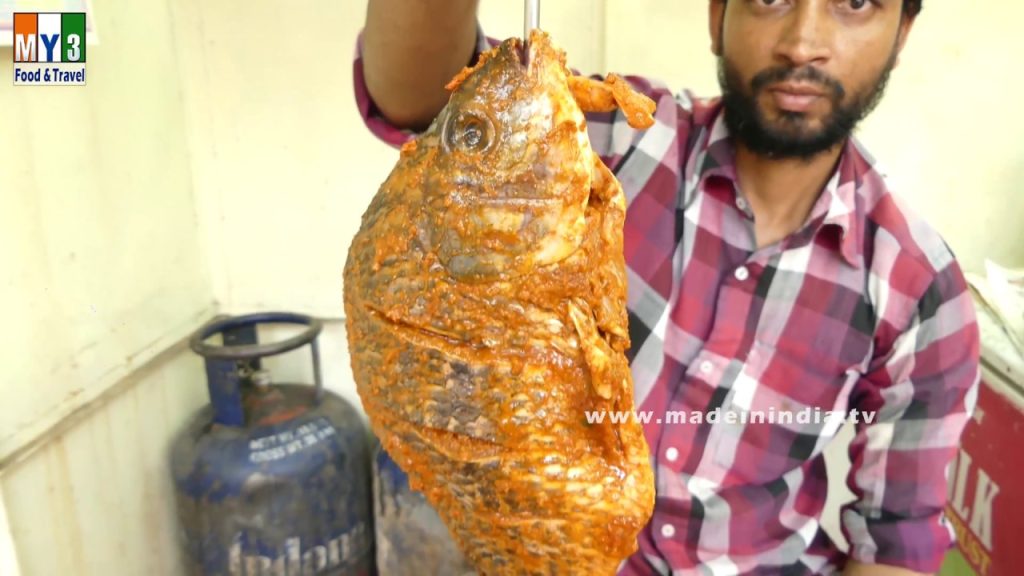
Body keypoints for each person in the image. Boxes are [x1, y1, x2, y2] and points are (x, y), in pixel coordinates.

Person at [353, 1, 980, 574]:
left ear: (902, 33)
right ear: (717, 16)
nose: (802, 43)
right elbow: (422, 98)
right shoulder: (603, 142)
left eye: (855, 3)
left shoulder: (921, 288)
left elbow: (895, 545)